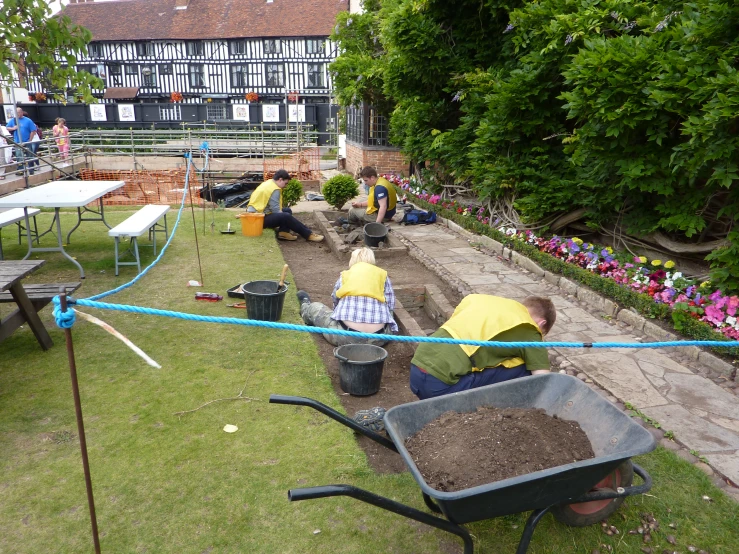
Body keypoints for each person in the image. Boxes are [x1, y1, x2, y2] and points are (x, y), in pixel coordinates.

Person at [409, 295, 557, 400]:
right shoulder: (530, 330)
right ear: (542, 323)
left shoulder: (492, 304)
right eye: (543, 334)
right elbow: (542, 379)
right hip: (441, 388)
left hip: (416, 370)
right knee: (524, 369)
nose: (540, 337)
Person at [296, 247, 397, 346]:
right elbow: (390, 304)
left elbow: (336, 298)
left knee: (316, 308)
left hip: (344, 337)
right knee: (390, 312)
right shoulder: (383, 275)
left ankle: (305, 307)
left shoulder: (346, 275)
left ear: (352, 261)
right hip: (379, 339)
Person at [246, 169, 324, 242]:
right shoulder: (274, 189)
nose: (285, 186)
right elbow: (276, 210)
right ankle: (308, 234)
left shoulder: (269, 183)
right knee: (285, 216)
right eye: (285, 183)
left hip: (254, 216)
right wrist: (291, 222)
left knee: (287, 210)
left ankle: (283, 232)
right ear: (280, 179)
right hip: (256, 220)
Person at [5, 107, 37, 175]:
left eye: (18, 112)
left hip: (26, 141)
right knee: (19, 156)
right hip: (17, 141)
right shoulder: (13, 120)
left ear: (22, 112)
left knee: (30, 155)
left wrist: (30, 140)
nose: (17, 114)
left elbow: (33, 130)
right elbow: (7, 127)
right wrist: (13, 128)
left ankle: (31, 169)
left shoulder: (28, 120)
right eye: (16, 113)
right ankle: (21, 170)